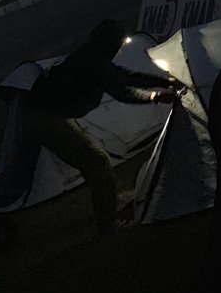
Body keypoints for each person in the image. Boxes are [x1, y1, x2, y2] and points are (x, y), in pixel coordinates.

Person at [25, 19, 177, 233]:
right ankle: (108, 223)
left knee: (94, 162)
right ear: (110, 42)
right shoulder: (94, 61)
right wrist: (155, 96)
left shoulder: (93, 55)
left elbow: (122, 76)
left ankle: (107, 205)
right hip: (45, 119)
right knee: (98, 163)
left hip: (48, 114)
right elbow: (122, 90)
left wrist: (161, 82)